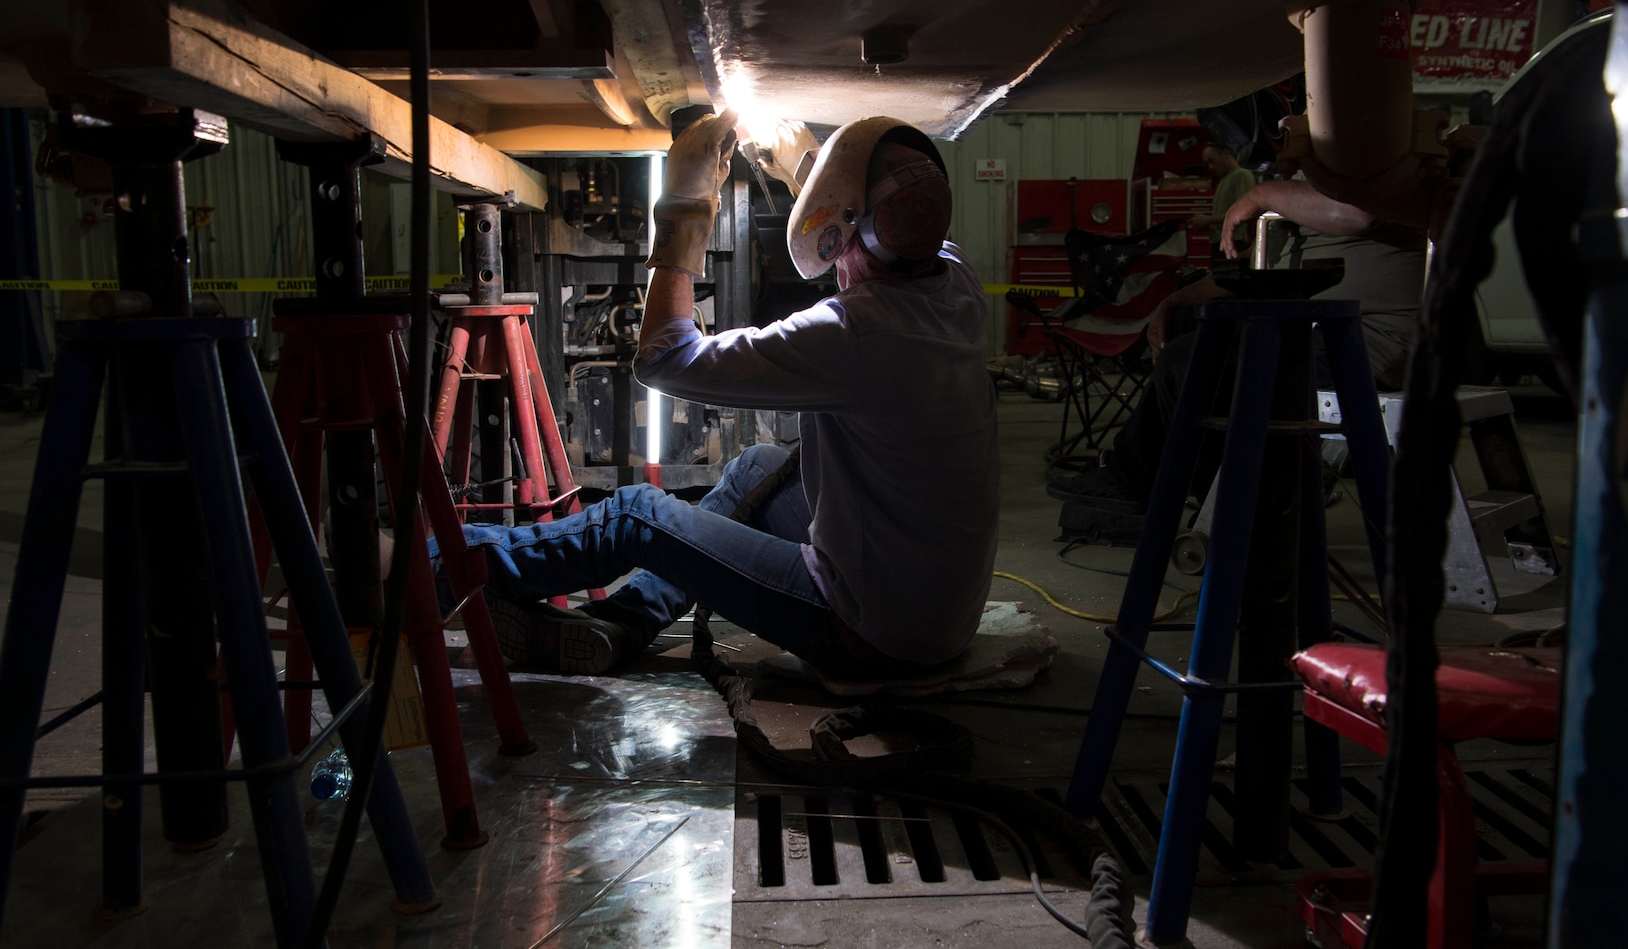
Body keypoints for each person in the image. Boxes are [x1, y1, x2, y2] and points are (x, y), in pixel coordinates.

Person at [448, 112, 1001, 677]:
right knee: (758, 466)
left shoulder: (853, 332)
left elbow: (663, 358)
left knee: (635, 516)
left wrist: (685, 209)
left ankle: (441, 563)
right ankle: (622, 622)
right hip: (935, 616)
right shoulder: (954, 279)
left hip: (865, 629)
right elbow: (887, 219)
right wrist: (806, 166)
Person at [1048, 178, 1427, 543]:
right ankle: (1165, 487)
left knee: (1192, 362)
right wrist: (1173, 302)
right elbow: (1256, 265)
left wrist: (1262, 194)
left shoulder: (1374, 167)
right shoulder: (1311, 182)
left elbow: (1360, 214)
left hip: (1364, 345)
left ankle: (1217, 502)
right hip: (1316, 332)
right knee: (1187, 345)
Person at [1186, 142, 1257, 261]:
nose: (1210, 167)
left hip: (1234, 243)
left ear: (1225, 154)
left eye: (1212, 161)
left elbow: (1245, 212)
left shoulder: (1242, 175)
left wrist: (1208, 220)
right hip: (1222, 242)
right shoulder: (1224, 179)